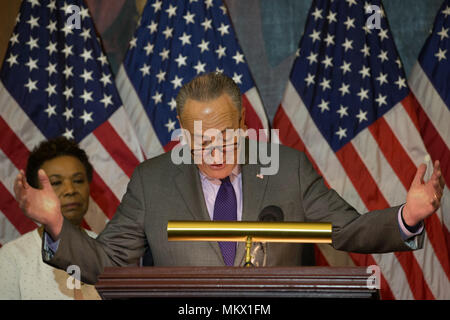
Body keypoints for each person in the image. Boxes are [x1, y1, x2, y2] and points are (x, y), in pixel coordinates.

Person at [14, 73, 445, 285]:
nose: (214, 150)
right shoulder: (152, 180)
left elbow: (348, 230)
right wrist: (55, 225)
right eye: (198, 140)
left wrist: (407, 215)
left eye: (224, 136)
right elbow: (105, 263)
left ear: (243, 123)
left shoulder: (287, 167)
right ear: (181, 136)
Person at [1, 137, 100, 299]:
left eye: (78, 180)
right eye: (55, 183)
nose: (70, 190)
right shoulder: (13, 257)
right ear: (35, 192)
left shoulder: (107, 250)